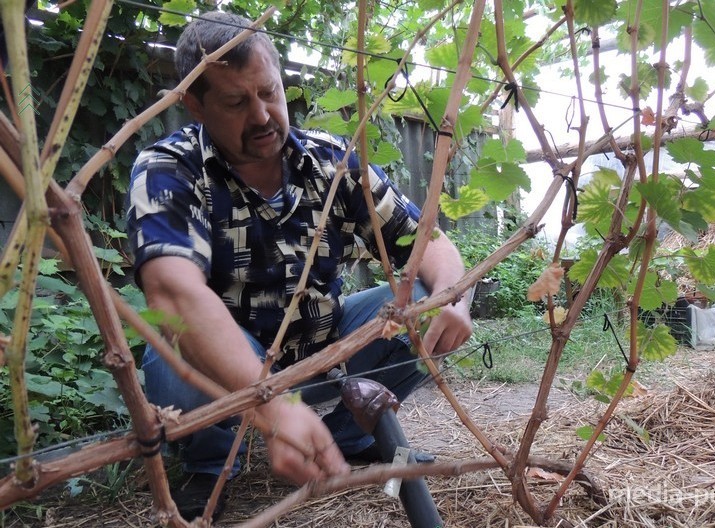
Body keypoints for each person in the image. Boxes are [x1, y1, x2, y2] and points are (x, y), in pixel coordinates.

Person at [126, 10, 472, 521]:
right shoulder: (168, 170)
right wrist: (273, 407)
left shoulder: (334, 162)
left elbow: (428, 242)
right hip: (230, 370)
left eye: (269, 92)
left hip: (324, 347)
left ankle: (347, 437)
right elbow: (174, 296)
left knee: (426, 302)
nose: (263, 116)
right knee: (172, 337)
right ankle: (213, 463)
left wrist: (455, 298)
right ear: (194, 106)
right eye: (236, 102)